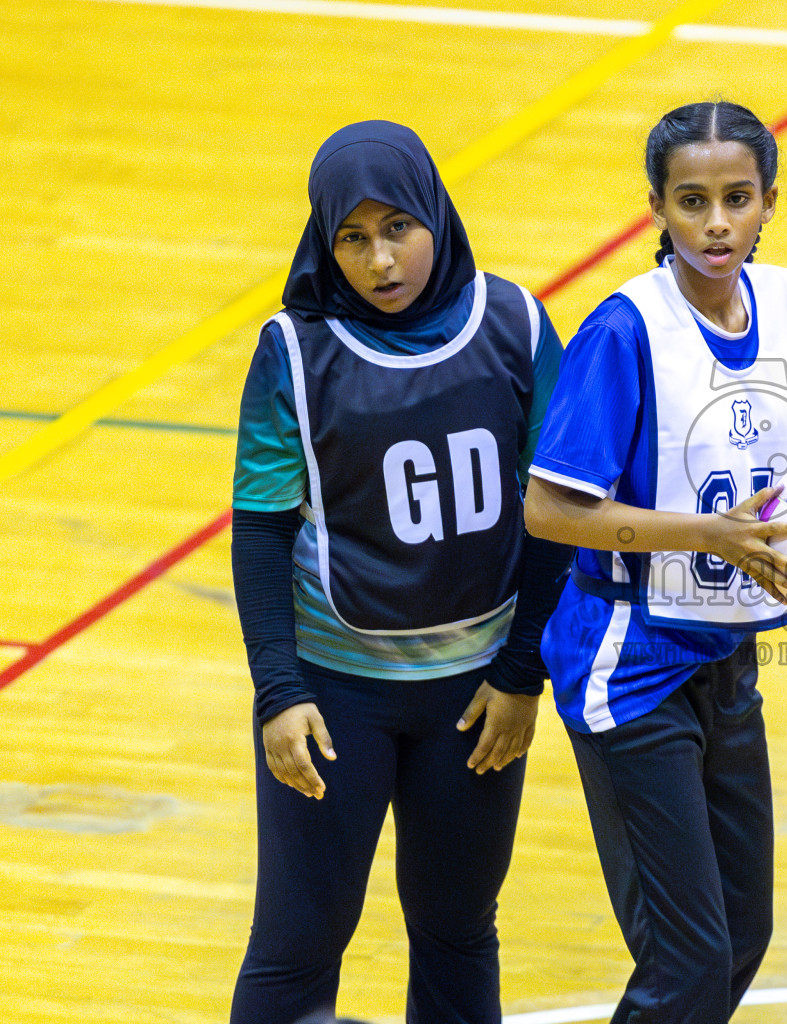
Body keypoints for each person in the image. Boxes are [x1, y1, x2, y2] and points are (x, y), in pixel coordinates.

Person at [228, 120, 570, 1024]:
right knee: (297, 944)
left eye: (398, 229)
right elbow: (260, 534)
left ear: (437, 218)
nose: (380, 260)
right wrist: (277, 691)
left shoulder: (517, 324)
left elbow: (558, 520)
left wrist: (520, 672)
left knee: (459, 933)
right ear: (324, 240)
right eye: (353, 237)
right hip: (336, 698)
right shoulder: (294, 352)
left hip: (475, 697)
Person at [523, 101, 787, 1023]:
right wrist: (707, 536)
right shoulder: (624, 331)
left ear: (770, 201)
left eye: (736, 199)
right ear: (655, 207)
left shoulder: (786, 303)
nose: (715, 224)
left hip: (727, 655)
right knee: (689, 961)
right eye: (691, 201)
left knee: (742, 934)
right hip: (630, 667)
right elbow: (548, 511)